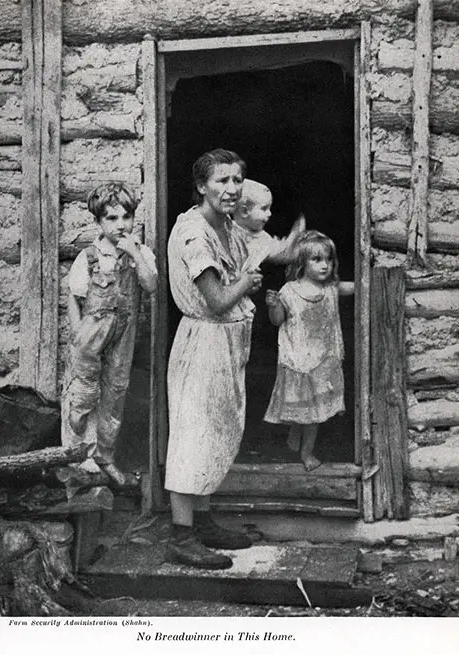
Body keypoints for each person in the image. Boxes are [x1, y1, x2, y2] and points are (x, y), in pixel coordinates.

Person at [165, 149, 263, 570]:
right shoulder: (193, 233)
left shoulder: (223, 224)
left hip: (223, 345)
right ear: (202, 185)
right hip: (202, 342)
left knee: (214, 434)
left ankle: (203, 523)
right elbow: (218, 299)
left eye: (237, 180)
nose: (231, 189)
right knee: (192, 436)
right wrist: (246, 282)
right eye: (221, 181)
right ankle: (181, 536)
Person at [62, 182, 157, 486]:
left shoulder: (139, 253)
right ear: (99, 222)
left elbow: (151, 285)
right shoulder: (90, 257)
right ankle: (78, 458)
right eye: (111, 219)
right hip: (91, 335)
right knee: (83, 395)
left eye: (125, 217)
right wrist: (79, 336)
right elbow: (74, 298)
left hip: (123, 335)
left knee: (114, 395)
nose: (120, 225)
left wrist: (136, 255)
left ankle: (105, 457)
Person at [264, 230, 354, 471]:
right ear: (302, 262)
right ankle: (301, 442)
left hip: (323, 362)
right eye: (317, 260)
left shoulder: (331, 289)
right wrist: (273, 306)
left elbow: (360, 286)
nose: (325, 265)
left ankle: (306, 451)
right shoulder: (289, 291)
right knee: (303, 408)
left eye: (329, 259)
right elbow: (277, 320)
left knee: (313, 413)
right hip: (298, 360)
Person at [233, 179, 305, 271]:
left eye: (269, 208)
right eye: (264, 209)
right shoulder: (224, 229)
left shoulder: (263, 240)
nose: (269, 213)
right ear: (244, 211)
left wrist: (296, 234)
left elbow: (285, 254)